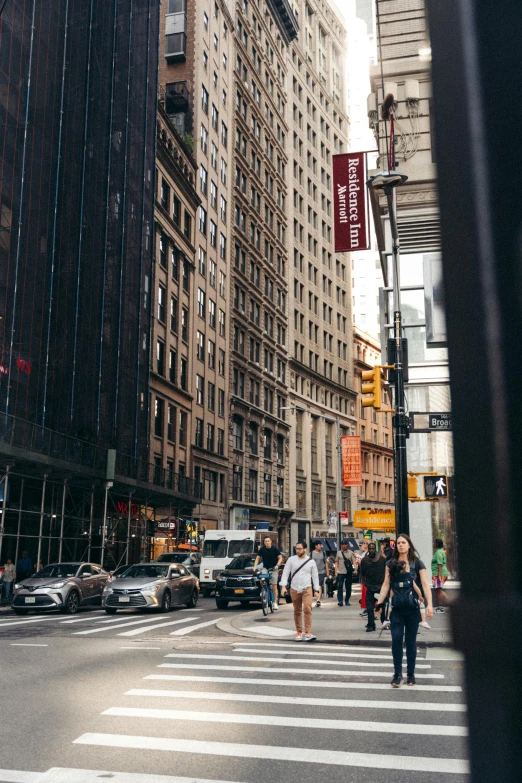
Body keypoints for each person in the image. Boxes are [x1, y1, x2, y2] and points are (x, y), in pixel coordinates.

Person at [375, 534, 433, 687]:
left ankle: (411, 675)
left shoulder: (417, 563)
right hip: (396, 609)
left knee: (410, 641)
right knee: (396, 640)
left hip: (413, 609)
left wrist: (429, 605)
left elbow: (425, 585)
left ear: (409, 545)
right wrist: (379, 604)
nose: (400, 545)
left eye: (403, 542)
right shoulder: (390, 563)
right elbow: (385, 585)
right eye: (398, 543)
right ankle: (397, 674)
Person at [280, 541, 320, 642]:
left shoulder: (311, 561)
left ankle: (308, 632)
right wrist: (283, 586)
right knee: (297, 610)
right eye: (296, 549)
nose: (297, 550)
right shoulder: (291, 560)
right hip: (294, 588)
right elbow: (285, 573)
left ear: (305, 549)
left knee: (307, 608)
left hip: (307, 588)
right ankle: (299, 632)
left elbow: (315, 576)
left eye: (300, 549)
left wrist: (316, 590)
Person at [360, 542, 386, 632]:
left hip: (380, 586)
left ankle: (384, 622)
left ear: (375, 549)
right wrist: (366, 584)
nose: (371, 550)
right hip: (370, 586)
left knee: (383, 605)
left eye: (373, 549)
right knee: (370, 607)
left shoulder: (382, 559)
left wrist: (385, 584)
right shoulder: (365, 560)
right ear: (368, 549)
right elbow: (362, 574)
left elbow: (385, 572)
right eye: (370, 549)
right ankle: (371, 624)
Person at [254, 535, 283, 610]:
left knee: (274, 585)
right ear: (264, 542)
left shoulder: (275, 549)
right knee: (261, 578)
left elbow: (280, 558)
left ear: (271, 542)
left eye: (268, 541)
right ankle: (263, 589)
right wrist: (255, 566)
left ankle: (275, 602)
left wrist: (277, 565)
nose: (267, 542)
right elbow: (257, 558)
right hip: (265, 568)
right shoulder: (262, 549)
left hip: (273, 568)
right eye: (265, 541)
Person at [335, 540, 355, 606]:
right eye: (342, 544)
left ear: (347, 545)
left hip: (348, 572)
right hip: (341, 572)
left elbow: (354, 561)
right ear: (341, 545)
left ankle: (347, 600)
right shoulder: (338, 553)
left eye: (345, 544)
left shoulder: (351, 553)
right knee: (339, 586)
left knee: (348, 587)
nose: (344, 546)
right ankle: (340, 601)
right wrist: (336, 572)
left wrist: (355, 569)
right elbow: (336, 562)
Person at [431, 539, 449, 612]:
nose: (433, 544)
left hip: (439, 574)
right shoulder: (441, 551)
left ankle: (441, 607)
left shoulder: (438, 553)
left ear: (437, 544)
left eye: (434, 543)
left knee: (438, 590)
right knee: (438, 589)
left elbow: (440, 564)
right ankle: (449, 599)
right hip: (439, 573)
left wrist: (439, 576)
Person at [311, 541, 329, 607]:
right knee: (315, 586)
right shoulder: (311, 554)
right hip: (313, 572)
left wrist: (327, 572)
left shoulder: (323, 553)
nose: (321, 546)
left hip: (321, 572)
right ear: (316, 546)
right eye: (319, 545)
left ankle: (318, 599)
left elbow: (326, 563)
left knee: (319, 585)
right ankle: (317, 598)